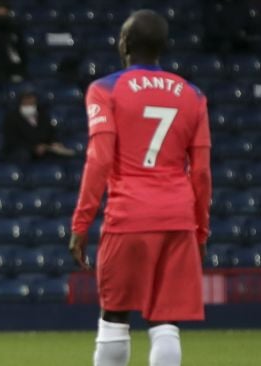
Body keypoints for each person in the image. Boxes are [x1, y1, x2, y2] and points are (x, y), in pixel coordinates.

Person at [69, 10, 211, 366]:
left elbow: (99, 161)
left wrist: (81, 225)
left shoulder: (104, 89)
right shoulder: (193, 95)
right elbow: (203, 173)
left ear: (126, 43)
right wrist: (201, 231)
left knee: (115, 317)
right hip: (177, 218)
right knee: (166, 322)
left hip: (129, 215)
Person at [3, 90, 76, 161]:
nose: (29, 106)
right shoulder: (12, 118)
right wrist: (34, 148)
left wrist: (54, 142)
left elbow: (50, 133)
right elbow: (13, 140)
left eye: (31, 104)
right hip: (23, 150)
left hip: (44, 149)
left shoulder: (43, 116)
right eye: (26, 103)